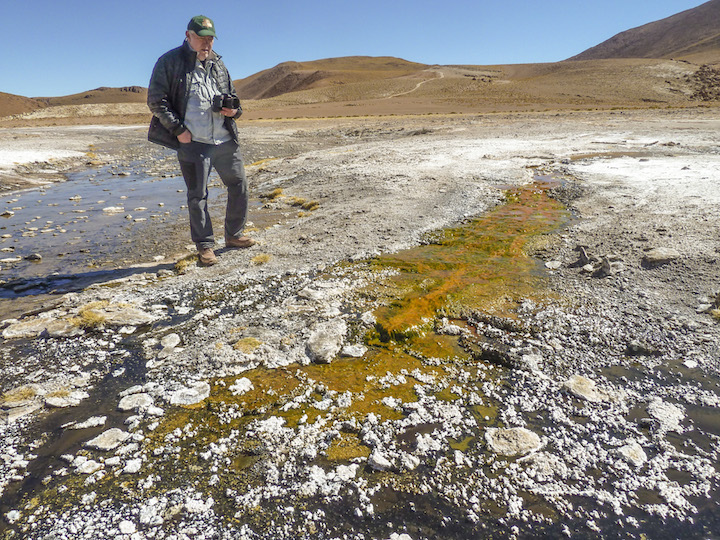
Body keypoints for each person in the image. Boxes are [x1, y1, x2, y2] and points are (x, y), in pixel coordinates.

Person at [147, 15, 254, 266]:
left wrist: (234, 111)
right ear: (188, 36)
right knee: (198, 195)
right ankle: (205, 246)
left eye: (210, 38)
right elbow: (156, 100)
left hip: (224, 139)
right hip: (193, 141)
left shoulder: (218, 64)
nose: (207, 43)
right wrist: (178, 130)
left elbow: (234, 98)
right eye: (201, 38)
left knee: (239, 184)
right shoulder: (169, 62)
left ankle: (234, 235)